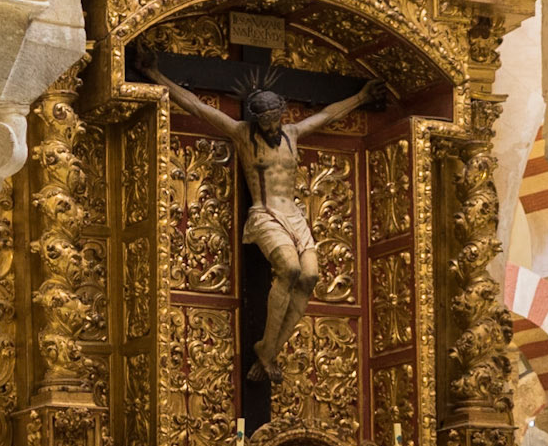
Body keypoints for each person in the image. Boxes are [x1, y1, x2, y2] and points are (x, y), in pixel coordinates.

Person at [141, 53, 382, 379]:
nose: (272, 125)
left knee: (310, 277)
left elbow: (327, 115)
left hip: (294, 216)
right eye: (266, 120)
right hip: (265, 213)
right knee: (290, 268)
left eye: (276, 118)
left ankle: (268, 351)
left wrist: (362, 97)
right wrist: (156, 74)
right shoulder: (243, 134)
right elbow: (198, 106)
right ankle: (267, 350)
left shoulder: (292, 134)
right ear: (256, 119)